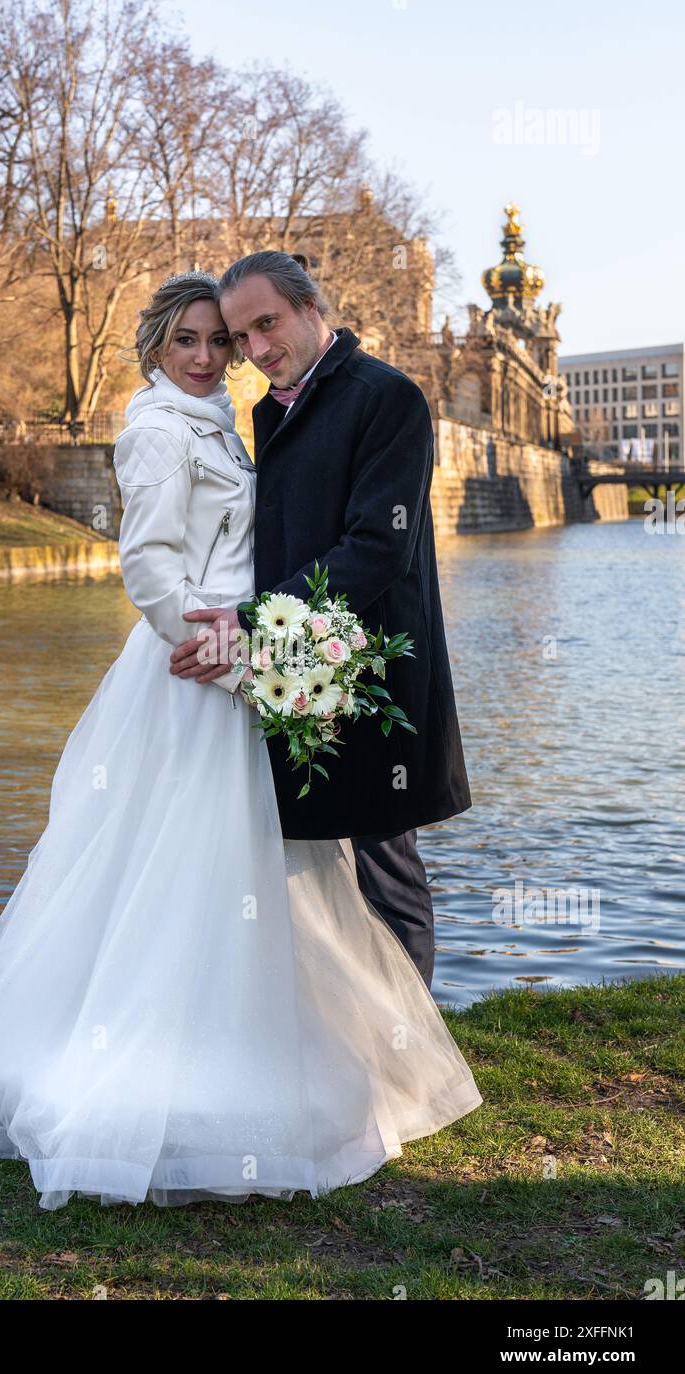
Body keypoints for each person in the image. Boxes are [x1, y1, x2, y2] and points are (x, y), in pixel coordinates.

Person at [0, 271, 482, 1212]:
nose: (216, 354)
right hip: (208, 672)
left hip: (274, 660)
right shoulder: (163, 426)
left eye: (230, 337)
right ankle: (192, 1067)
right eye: (195, 339)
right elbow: (148, 564)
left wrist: (259, 641)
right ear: (155, 342)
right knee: (196, 872)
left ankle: (364, 1046)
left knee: (312, 869)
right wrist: (220, 646)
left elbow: (362, 546)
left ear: (307, 313)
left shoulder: (320, 405)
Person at [168, 252, 472, 988]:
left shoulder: (388, 396)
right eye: (240, 337)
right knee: (302, 868)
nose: (256, 349)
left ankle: (411, 1058)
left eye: (265, 324)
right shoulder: (266, 410)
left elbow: (377, 549)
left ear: (310, 308)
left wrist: (252, 624)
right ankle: (328, 1040)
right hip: (290, 666)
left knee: (383, 867)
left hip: (372, 665)